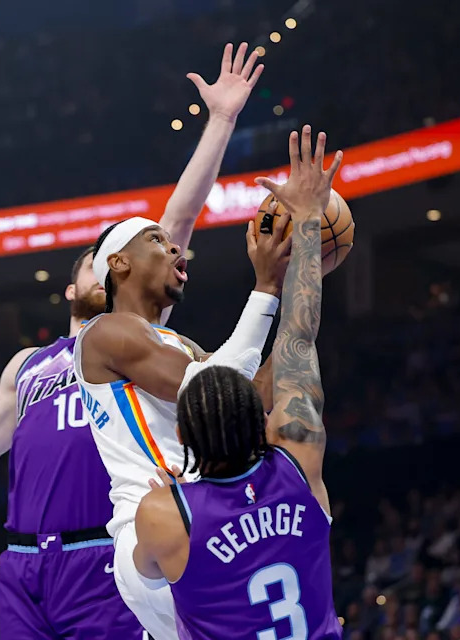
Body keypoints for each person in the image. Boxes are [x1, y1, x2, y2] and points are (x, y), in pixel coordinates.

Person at [0, 41, 267, 639]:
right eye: (93, 262)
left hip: (106, 553)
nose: (109, 264)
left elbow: (177, 220)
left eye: (117, 258)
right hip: (23, 564)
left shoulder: (135, 337)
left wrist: (220, 119)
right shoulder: (29, 365)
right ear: (72, 290)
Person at [72, 126, 323, 639]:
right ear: (118, 263)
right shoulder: (105, 334)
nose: (177, 252)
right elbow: (202, 391)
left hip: (211, 507)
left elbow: (246, 399)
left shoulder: (182, 345)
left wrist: (304, 275)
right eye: (157, 241)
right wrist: (268, 288)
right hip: (157, 526)